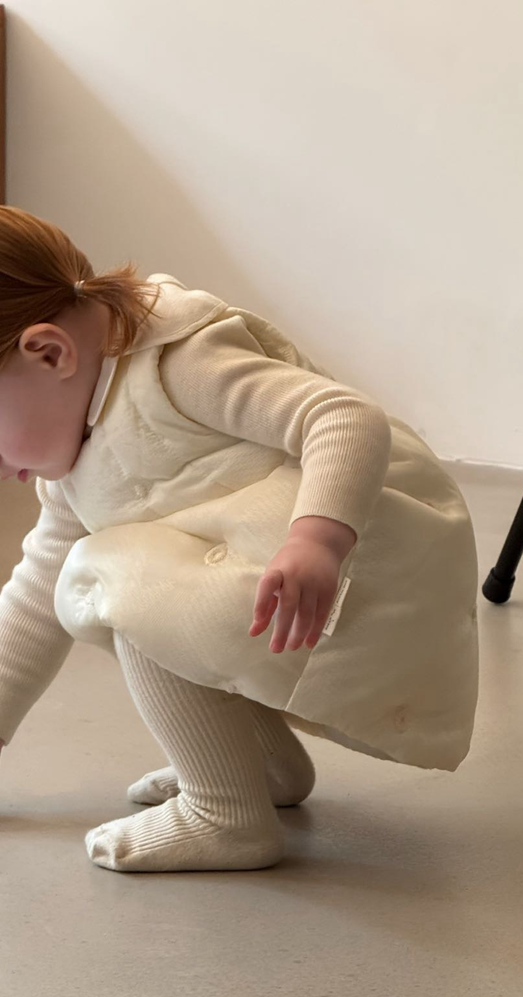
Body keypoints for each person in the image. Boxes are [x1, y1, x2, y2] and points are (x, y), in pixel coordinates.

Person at [0, 205, 479, 874]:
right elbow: (33, 598)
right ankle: (261, 767)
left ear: (49, 353)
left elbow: (341, 416)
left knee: (117, 579)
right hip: (284, 590)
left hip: (358, 569)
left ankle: (225, 814)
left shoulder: (177, 364)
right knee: (101, 579)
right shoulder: (72, 461)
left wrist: (318, 541)